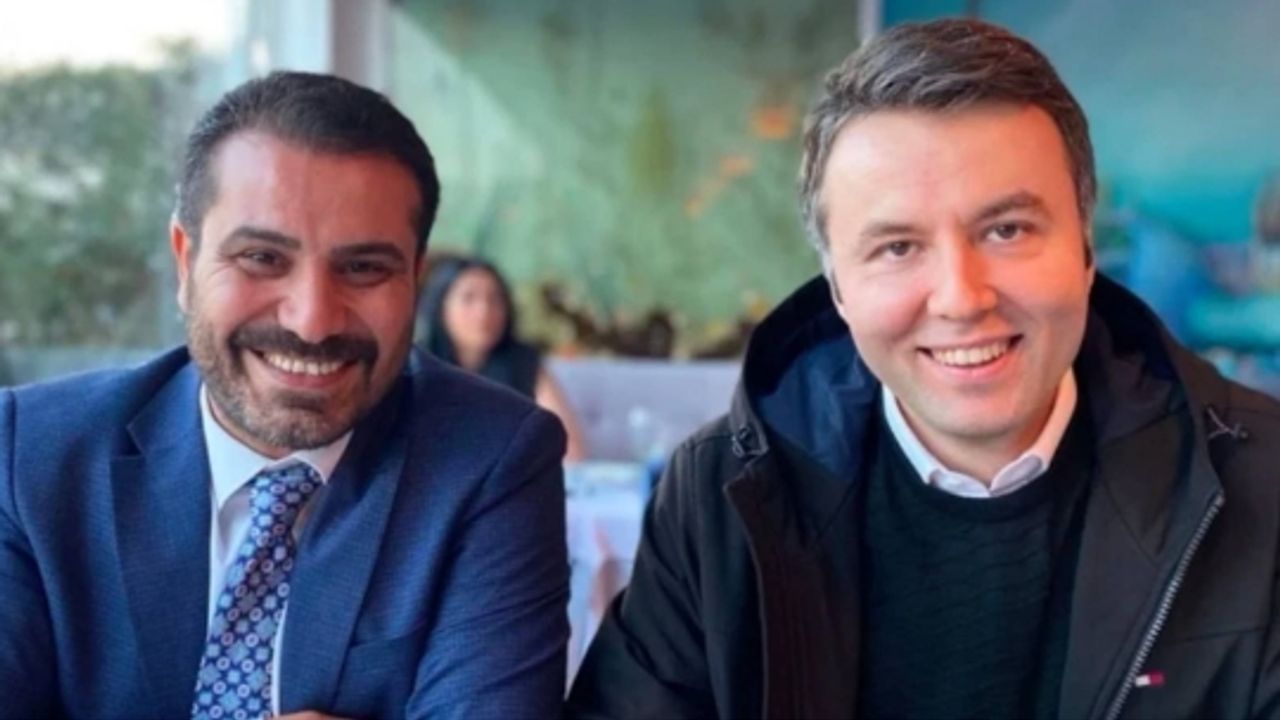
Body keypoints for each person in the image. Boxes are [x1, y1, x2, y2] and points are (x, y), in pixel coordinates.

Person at [568, 18, 1280, 719]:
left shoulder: (1263, 480)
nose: (962, 298)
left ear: (1086, 250)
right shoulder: (719, 496)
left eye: (1007, 230)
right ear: (838, 289)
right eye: (898, 247)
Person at [0, 71, 569, 719]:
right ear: (185, 263)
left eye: (363, 268)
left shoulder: (491, 457)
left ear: (414, 279)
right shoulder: (30, 455)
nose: (312, 321)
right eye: (262, 258)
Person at [421, 256, 588, 461]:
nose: (484, 312)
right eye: (468, 298)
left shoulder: (524, 361)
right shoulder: (417, 365)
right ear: (441, 307)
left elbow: (570, 448)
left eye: (494, 299)